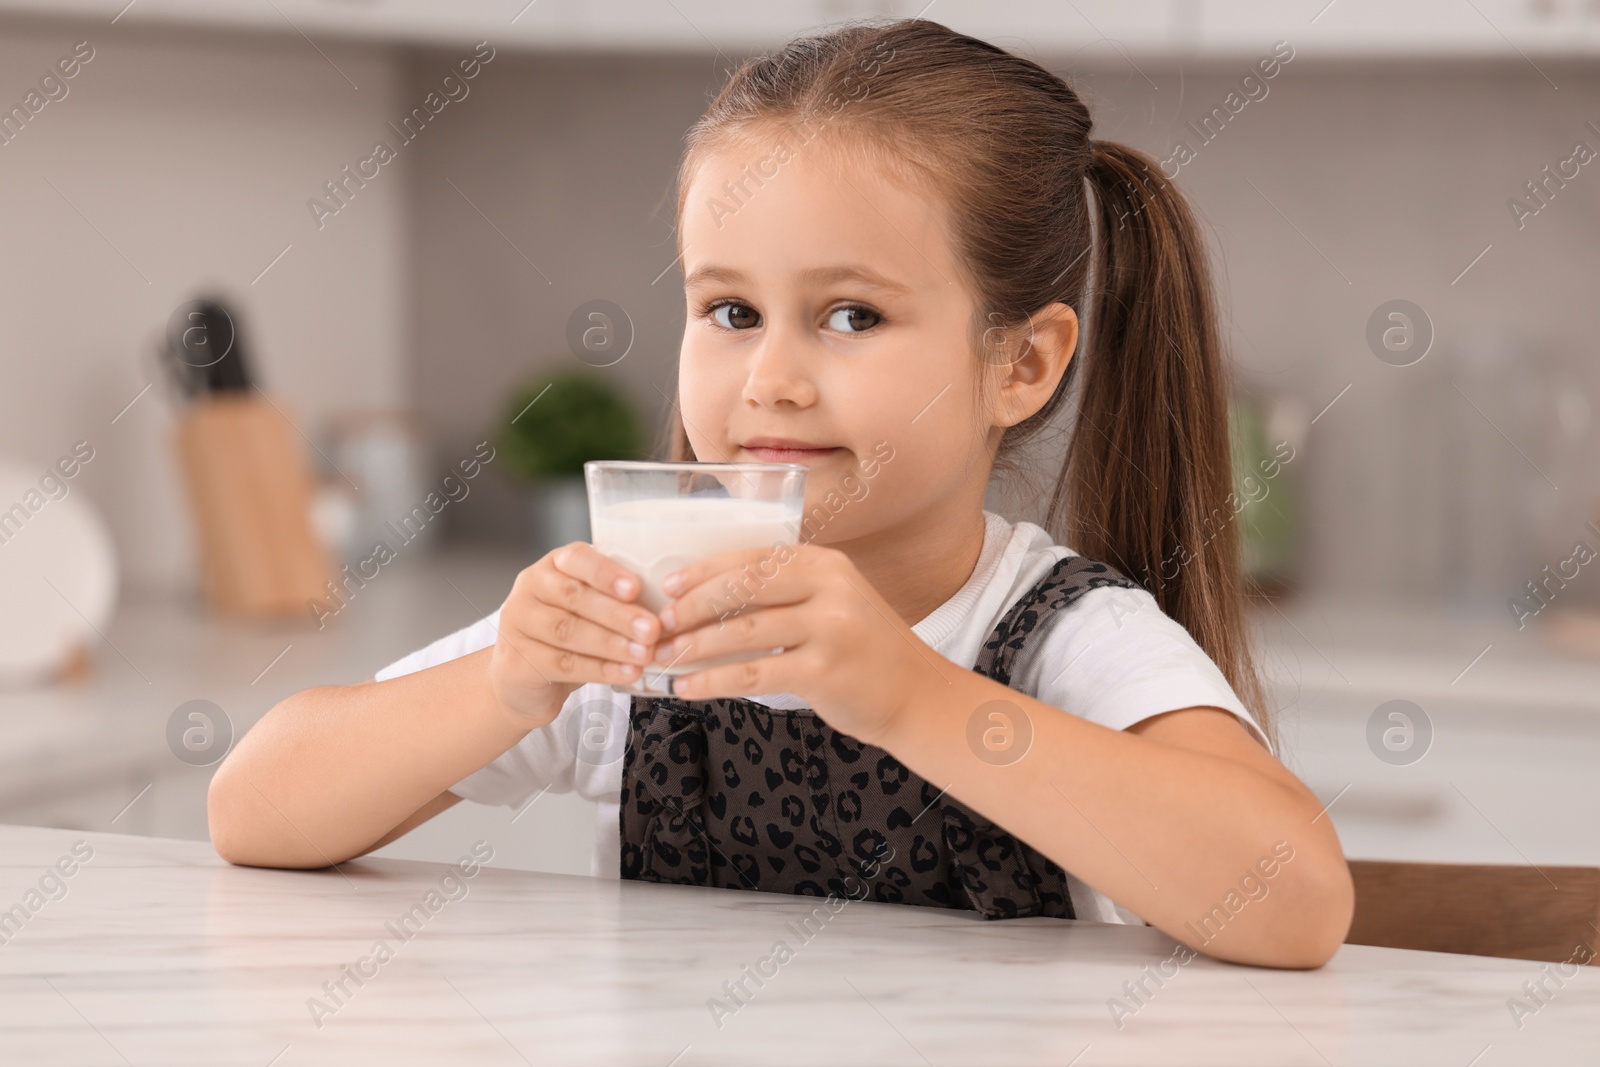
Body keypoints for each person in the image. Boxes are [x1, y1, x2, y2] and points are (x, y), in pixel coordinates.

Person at [209, 17, 1352, 969]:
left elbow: (1294, 896)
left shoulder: (1062, 637)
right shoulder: (651, 626)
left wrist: (910, 694)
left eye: (851, 315)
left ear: (1022, 363)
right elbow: (251, 810)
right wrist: (508, 683)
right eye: (730, 311)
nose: (770, 380)